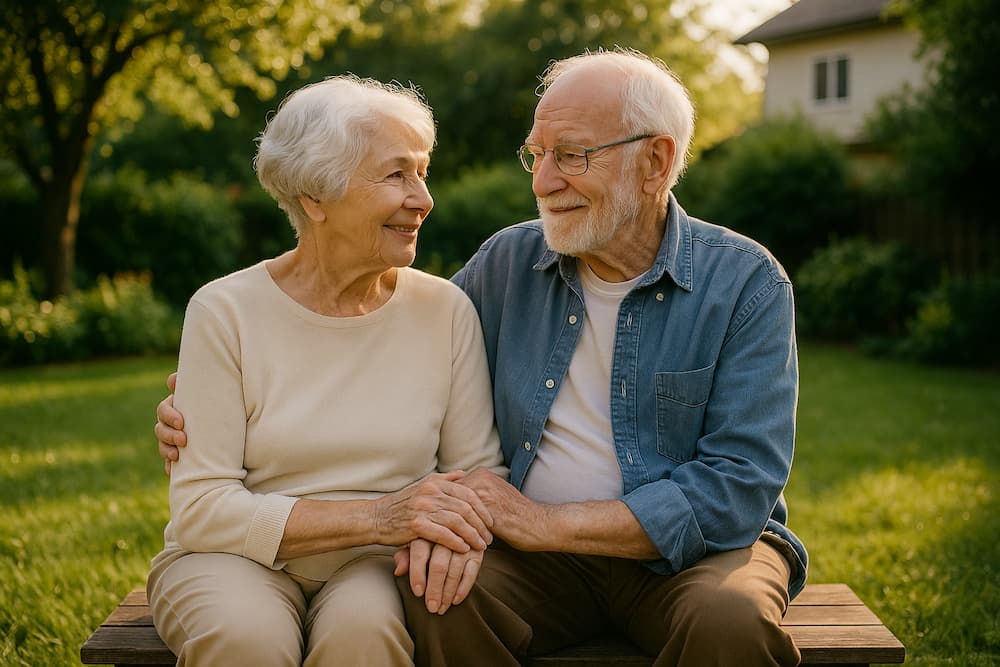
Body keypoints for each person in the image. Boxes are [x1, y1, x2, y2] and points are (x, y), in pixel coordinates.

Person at [157, 47, 808, 666]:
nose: (545, 181)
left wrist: (544, 522)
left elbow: (737, 487)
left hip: (695, 556)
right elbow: (382, 339)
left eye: (572, 156)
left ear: (656, 162)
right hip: (533, 562)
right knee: (440, 596)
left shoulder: (745, 285)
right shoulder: (506, 266)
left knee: (730, 622)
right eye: (538, 156)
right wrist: (204, 406)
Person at [145, 74, 506, 667]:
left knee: (363, 638)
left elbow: (476, 475)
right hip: (231, 558)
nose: (423, 198)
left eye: (422, 172)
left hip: (378, 562)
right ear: (315, 196)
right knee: (246, 641)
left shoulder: (444, 309)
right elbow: (203, 509)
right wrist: (378, 515)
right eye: (396, 175)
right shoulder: (223, 309)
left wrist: (426, 531)